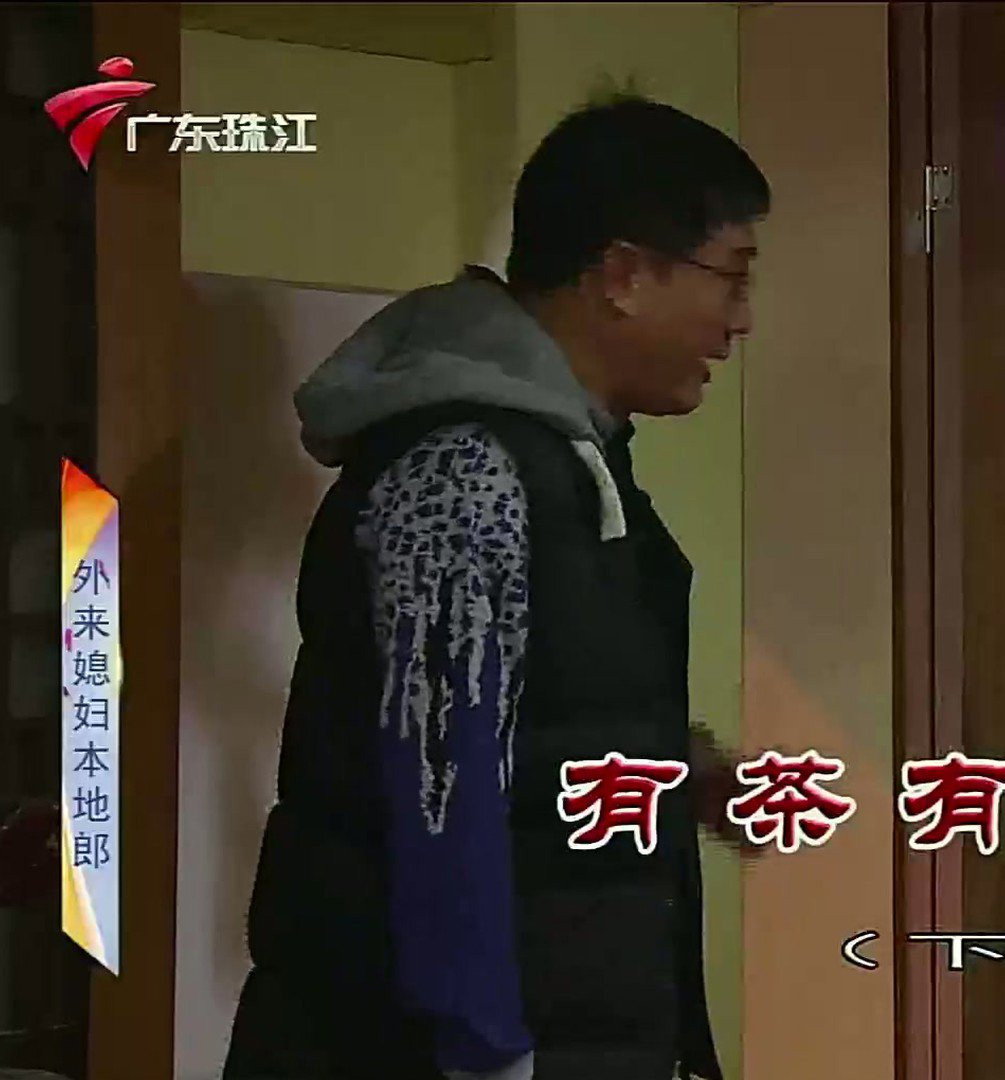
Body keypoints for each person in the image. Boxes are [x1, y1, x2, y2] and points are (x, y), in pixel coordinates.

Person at [222, 92, 768, 1080]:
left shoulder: (577, 462)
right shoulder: (465, 465)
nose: (740, 322)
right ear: (623, 275)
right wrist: (485, 1052)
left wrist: (677, 766)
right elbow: (440, 789)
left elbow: (541, 717)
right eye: (729, 278)